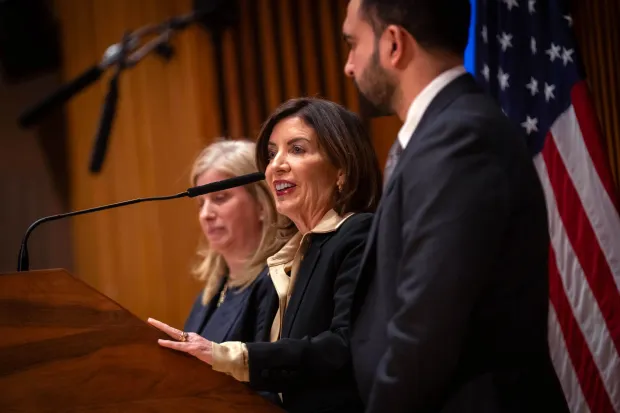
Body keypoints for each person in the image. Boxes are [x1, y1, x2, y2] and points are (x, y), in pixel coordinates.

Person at [342, 1, 570, 412]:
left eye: (353, 43)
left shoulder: (459, 138)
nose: (349, 66)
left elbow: (427, 327)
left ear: (394, 43)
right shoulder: (441, 132)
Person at [148, 97, 382, 413]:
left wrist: (226, 355)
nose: (277, 164)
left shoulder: (356, 235)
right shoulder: (293, 257)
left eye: (297, 149)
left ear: (341, 170)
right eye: (272, 154)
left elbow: (343, 346)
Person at [182, 139, 281, 344]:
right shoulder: (209, 293)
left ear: (262, 204)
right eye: (201, 203)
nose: (206, 214)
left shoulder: (276, 285)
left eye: (220, 198)